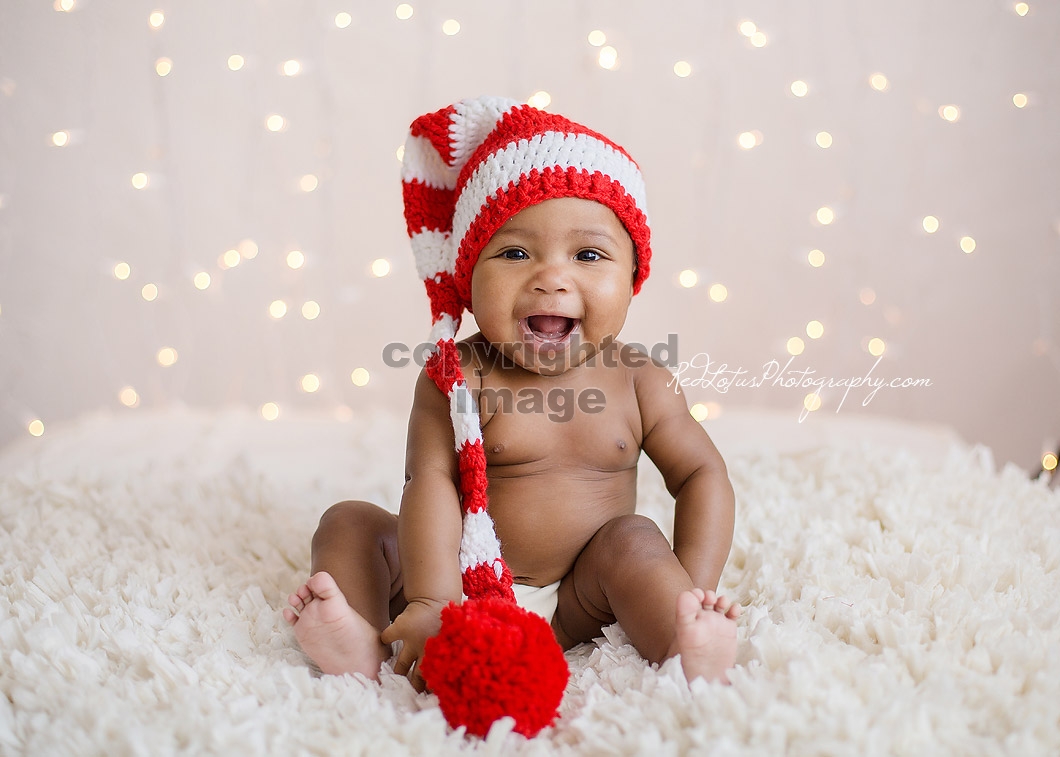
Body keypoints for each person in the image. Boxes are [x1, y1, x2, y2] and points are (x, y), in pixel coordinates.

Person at [283, 96, 741, 695]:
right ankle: (360, 639)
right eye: (515, 252)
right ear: (469, 280)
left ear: (633, 276)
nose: (551, 276)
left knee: (634, 540)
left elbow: (703, 473)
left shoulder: (641, 380)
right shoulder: (456, 376)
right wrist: (433, 598)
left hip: (582, 593)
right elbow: (430, 483)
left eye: (588, 254)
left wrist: (692, 583)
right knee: (348, 523)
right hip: (461, 583)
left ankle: (684, 636)